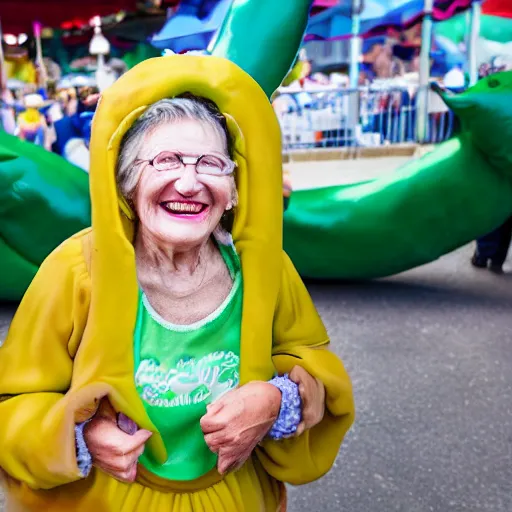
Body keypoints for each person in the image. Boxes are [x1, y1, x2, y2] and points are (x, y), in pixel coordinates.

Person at [0, 55, 355, 511]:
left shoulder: (265, 268)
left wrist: (278, 400)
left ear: (234, 188)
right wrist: (80, 436)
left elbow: (316, 364)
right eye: (166, 161)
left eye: (210, 164)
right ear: (127, 181)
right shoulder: (75, 271)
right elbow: (11, 403)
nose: (189, 183)